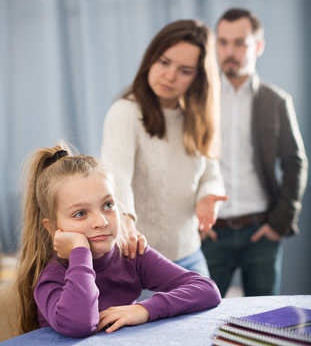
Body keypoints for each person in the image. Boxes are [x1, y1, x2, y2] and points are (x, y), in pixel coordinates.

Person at [15, 142, 221, 338]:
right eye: (80, 213)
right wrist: (80, 251)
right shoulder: (52, 276)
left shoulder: (130, 254)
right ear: (52, 228)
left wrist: (144, 309)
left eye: (107, 205)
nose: (101, 221)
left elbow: (207, 290)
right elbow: (80, 324)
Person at [101, 19, 227, 277]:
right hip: (139, 258)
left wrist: (208, 197)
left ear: (198, 78)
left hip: (190, 253)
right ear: (151, 59)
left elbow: (211, 175)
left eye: (185, 70)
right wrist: (125, 221)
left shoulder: (197, 117)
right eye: (164, 62)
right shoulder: (125, 112)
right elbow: (116, 176)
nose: (170, 76)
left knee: (211, 314)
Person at [201, 8, 308, 296]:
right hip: (211, 232)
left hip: (261, 231)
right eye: (222, 42)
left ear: (258, 46)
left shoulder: (276, 101)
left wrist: (279, 224)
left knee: (265, 323)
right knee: (199, 318)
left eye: (239, 43)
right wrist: (192, 220)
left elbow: (295, 164)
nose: (229, 51)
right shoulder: (200, 99)